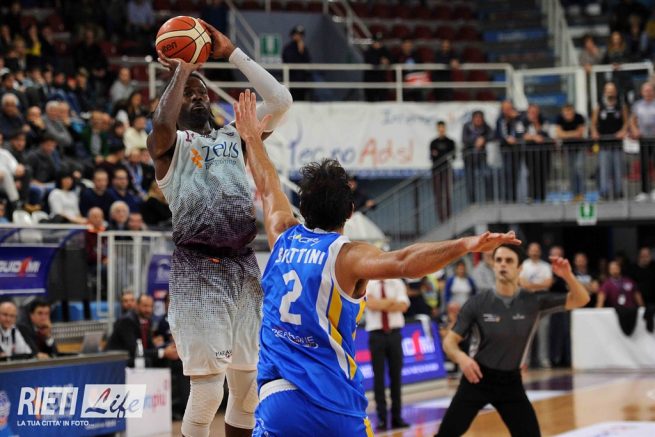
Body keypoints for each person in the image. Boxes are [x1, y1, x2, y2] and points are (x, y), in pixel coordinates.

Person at [229, 89, 521, 436]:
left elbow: (267, 185)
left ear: (302, 207)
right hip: (333, 403)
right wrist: (463, 244)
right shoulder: (347, 255)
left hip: (278, 399)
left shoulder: (282, 234)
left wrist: (251, 138)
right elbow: (406, 262)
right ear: (351, 212)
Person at [147, 21, 292, 437]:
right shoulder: (169, 147)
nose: (198, 96)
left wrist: (231, 53)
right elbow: (161, 126)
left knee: (247, 392)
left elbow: (281, 101)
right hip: (198, 270)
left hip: (243, 268)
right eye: (188, 93)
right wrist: (183, 68)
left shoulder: (236, 136)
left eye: (202, 92)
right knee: (208, 391)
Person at [436, 244, 589, 436]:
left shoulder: (533, 301)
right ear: (493, 265)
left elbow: (582, 299)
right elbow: (449, 342)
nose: (503, 264)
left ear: (519, 268)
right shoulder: (477, 303)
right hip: (477, 378)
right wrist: (462, 358)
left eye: (509, 261)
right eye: (498, 260)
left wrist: (567, 275)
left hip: (510, 382)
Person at [365, 278, 410, 431]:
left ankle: (397, 417)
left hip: (395, 334)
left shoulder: (397, 282)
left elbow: (403, 306)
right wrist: (391, 302)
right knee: (378, 378)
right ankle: (382, 418)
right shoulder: (369, 283)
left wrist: (380, 303)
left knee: (396, 376)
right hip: (376, 335)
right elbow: (370, 305)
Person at [106, 294, 178, 367]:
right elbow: (135, 351)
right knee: (147, 361)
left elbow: (150, 347)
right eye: (145, 306)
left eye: (151, 306)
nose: (149, 310)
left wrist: (168, 349)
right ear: (137, 306)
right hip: (118, 360)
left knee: (171, 357)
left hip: (134, 356)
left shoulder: (147, 321)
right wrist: (163, 352)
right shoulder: (127, 321)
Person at [591, 82, 628, 200]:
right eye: (608, 90)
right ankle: (604, 193)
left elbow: (626, 122)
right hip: (604, 144)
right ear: (604, 92)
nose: (610, 93)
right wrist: (594, 132)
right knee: (604, 169)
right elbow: (593, 123)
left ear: (615, 92)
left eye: (612, 90)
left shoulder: (621, 105)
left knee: (618, 169)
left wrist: (622, 131)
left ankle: (619, 192)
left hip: (617, 143)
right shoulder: (599, 106)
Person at [520, 242, 553, 368]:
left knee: (544, 331)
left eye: (536, 250)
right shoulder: (523, 265)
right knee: (526, 332)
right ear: (528, 252)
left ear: (540, 252)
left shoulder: (546, 266)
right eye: (532, 250)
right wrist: (540, 284)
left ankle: (543, 359)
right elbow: (522, 284)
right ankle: (525, 361)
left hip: (543, 301)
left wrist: (531, 285)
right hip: (527, 300)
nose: (534, 252)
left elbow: (548, 283)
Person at [554, 104, 587, 200]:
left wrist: (566, 134)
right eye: (566, 112)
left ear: (573, 111)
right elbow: (559, 133)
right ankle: (574, 194)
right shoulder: (559, 119)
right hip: (568, 149)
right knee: (572, 171)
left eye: (570, 111)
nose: (568, 114)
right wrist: (572, 134)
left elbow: (580, 133)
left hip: (580, 147)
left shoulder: (579, 117)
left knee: (579, 168)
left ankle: (582, 193)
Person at [630, 82, 655, 202]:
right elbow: (632, 121)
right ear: (642, 92)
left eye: (650, 90)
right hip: (644, 139)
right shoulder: (637, 105)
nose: (648, 93)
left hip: (654, 139)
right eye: (646, 91)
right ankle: (644, 191)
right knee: (644, 166)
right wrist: (635, 130)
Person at [429, 120, 455, 221]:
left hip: (446, 170)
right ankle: (441, 218)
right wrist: (442, 154)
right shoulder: (433, 142)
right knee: (438, 195)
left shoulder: (450, 142)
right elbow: (433, 157)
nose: (441, 130)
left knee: (447, 194)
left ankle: (448, 216)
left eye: (443, 128)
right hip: (436, 171)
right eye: (439, 128)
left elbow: (453, 156)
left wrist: (440, 154)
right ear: (437, 129)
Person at [282, 25, 312, 101]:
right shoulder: (288, 48)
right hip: (292, 80)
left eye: (300, 35)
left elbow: (308, 61)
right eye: (297, 34)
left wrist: (302, 52)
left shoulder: (304, 48)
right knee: (292, 100)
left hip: (303, 81)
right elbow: (288, 61)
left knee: (303, 101)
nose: (299, 37)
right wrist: (299, 53)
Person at [363, 32, 391, 102]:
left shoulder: (384, 50)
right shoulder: (368, 52)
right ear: (373, 42)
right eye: (376, 41)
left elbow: (391, 59)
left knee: (383, 101)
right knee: (370, 102)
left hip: (381, 80)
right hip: (370, 81)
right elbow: (372, 61)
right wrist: (380, 60)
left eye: (380, 41)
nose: (378, 43)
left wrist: (388, 61)